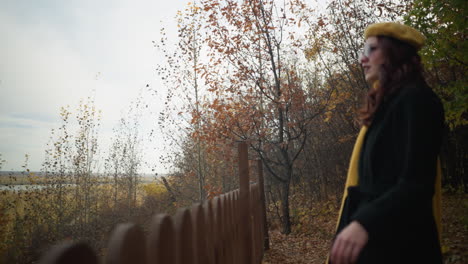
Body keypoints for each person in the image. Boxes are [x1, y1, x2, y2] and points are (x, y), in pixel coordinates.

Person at [328, 22, 445, 264]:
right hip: (378, 243)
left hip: (401, 247)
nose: (362, 59)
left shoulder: (417, 100)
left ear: (394, 53)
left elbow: (416, 185)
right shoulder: (386, 106)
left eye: (370, 49)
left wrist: (362, 223)